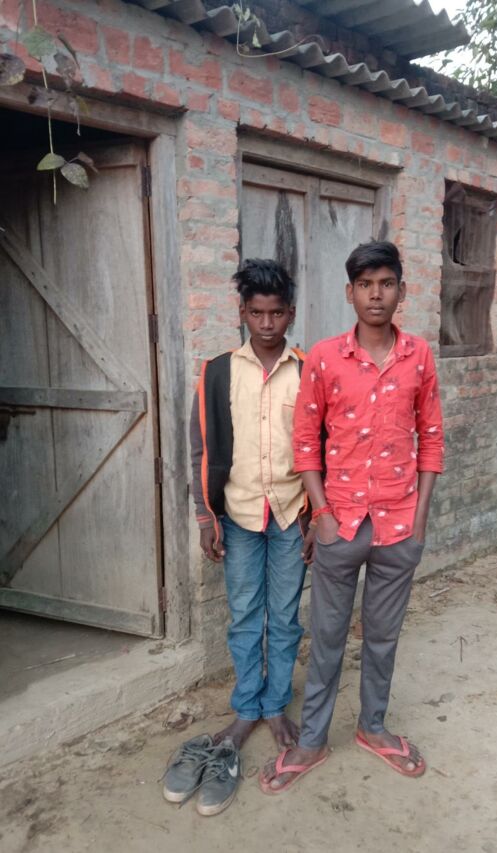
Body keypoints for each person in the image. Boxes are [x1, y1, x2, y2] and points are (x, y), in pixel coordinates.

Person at [259, 240, 444, 794]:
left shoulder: (418, 356)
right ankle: (313, 740)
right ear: (350, 293)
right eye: (365, 285)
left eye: (385, 284)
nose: (375, 295)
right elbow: (305, 441)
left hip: (398, 526)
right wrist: (321, 513)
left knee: (383, 638)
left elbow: (432, 440)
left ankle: (373, 727)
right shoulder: (324, 357)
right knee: (328, 638)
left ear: (401, 291)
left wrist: (420, 521)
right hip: (339, 525)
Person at [172, 259, 311, 812]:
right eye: (256, 313)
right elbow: (200, 449)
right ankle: (247, 708)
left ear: (291, 313)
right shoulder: (218, 373)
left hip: (291, 514)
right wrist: (205, 518)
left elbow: (323, 447)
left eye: (276, 313)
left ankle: (275, 704)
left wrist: (318, 518)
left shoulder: (309, 371)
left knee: (286, 616)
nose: (267, 323)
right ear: (242, 313)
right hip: (239, 516)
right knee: (245, 613)